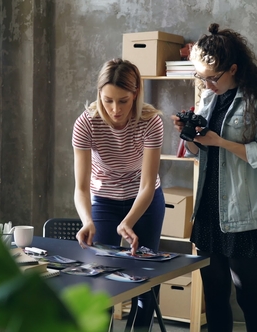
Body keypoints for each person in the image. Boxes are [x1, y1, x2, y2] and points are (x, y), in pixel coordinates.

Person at [171, 24, 257, 332]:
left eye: (213, 77)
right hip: (209, 215)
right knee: (214, 298)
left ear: (233, 68)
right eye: (202, 77)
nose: (208, 85)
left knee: (251, 300)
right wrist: (189, 136)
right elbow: (201, 153)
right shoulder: (209, 100)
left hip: (244, 218)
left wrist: (222, 142)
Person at [72, 58, 165, 330]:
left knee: (146, 277)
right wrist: (86, 220)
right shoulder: (86, 124)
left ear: (136, 94)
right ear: (99, 94)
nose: (115, 109)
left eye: (123, 101)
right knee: (101, 278)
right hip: (103, 201)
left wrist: (129, 220)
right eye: (108, 100)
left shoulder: (150, 122)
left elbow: (148, 185)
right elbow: (80, 186)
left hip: (145, 201)